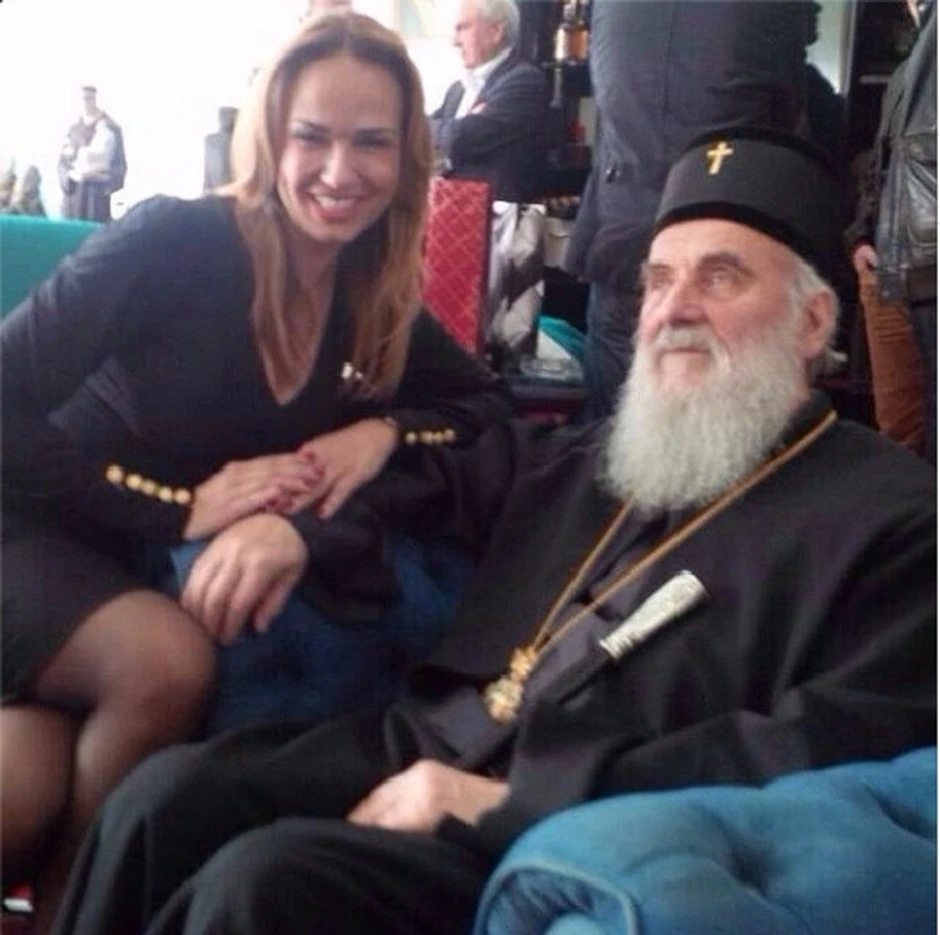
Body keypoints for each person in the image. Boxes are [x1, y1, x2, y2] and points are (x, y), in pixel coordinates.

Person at [50, 127, 935, 935]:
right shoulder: (595, 451)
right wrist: (299, 534)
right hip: (426, 738)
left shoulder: (896, 520)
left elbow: (816, 751)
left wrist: (518, 798)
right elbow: (433, 481)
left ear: (813, 321)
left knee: (266, 883)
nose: (674, 308)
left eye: (721, 277)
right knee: (163, 798)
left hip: (574, 824)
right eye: (660, 279)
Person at [2, 13, 510, 932]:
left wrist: (384, 432)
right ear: (269, 134)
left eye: (371, 142)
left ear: (405, 154)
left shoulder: (369, 290)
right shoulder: (176, 238)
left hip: (128, 570)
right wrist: (179, 508)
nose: (339, 170)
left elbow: (482, 406)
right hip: (35, 526)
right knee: (164, 663)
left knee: (23, 787)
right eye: (312, 136)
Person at [565, 0, 809, 421]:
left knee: (610, 425)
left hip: (622, 229)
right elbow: (787, 117)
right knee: (718, 425)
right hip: (722, 232)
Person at [846, 0, 936, 462]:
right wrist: (861, 235)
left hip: (928, 267)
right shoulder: (906, 74)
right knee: (899, 436)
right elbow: (883, 163)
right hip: (889, 268)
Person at [429, 0, 550, 203]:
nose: (454, 42)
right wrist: (442, 130)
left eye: (463, 28)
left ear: (496, 31)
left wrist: (444, 131)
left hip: (497, 216)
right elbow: (422, 135)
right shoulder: (458, 89)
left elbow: (460, 138)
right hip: (452, 212)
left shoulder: (525, 81)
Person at [57, 85, 127, 222]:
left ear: (96, 99)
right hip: (73, 198)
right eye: (82, 99)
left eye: (89, 98)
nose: (85, 103)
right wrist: (70, 177)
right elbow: (62, 164)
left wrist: (103, 179)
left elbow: (119, 166)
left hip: (96, 199)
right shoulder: (74, 130)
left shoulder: (111, 130)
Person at [202, 106, 238, 193]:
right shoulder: (242, 141)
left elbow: (208, 172)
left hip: (218, 188)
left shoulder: (210, 140)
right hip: (230, 187)